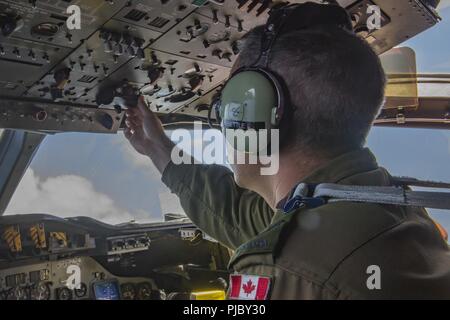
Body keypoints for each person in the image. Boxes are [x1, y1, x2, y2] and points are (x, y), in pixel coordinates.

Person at [124, 2, 450, 299]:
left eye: (228, 105)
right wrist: (158, 148)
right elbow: (237, 215)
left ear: (252, 114)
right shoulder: (382, 206)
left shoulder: (287, 271)